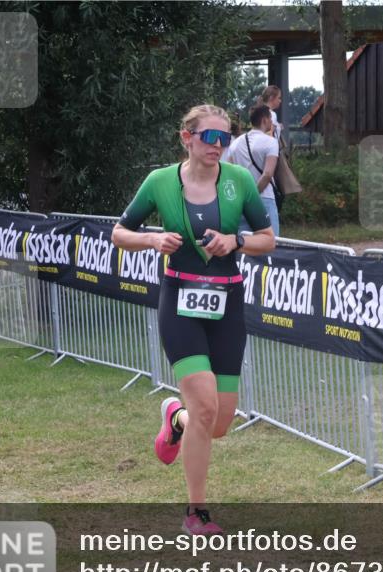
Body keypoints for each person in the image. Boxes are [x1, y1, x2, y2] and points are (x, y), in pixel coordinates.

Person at [111, 104, 276, 535]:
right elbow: (118, 233)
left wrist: (235, 241)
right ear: (187, 137)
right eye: (210, 138)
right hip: (180, 300)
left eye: (225, 139)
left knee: (217, 422)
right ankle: (196, 512)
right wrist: (150, 239)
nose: (218, 147)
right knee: (204, 405)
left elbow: (268, 239)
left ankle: (175, 418)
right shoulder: (160, 182)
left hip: (227, 304)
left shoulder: (238, 181)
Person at [223, 104, 280, 236]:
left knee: (243, 245)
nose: (272, 122)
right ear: (264, 120)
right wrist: (252, 197)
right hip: (264, 199)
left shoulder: (235, 143)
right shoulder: (271, 142)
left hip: (240, 202)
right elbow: (267, 174)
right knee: (270, 243)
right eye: (271, 119)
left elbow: (229, 173)